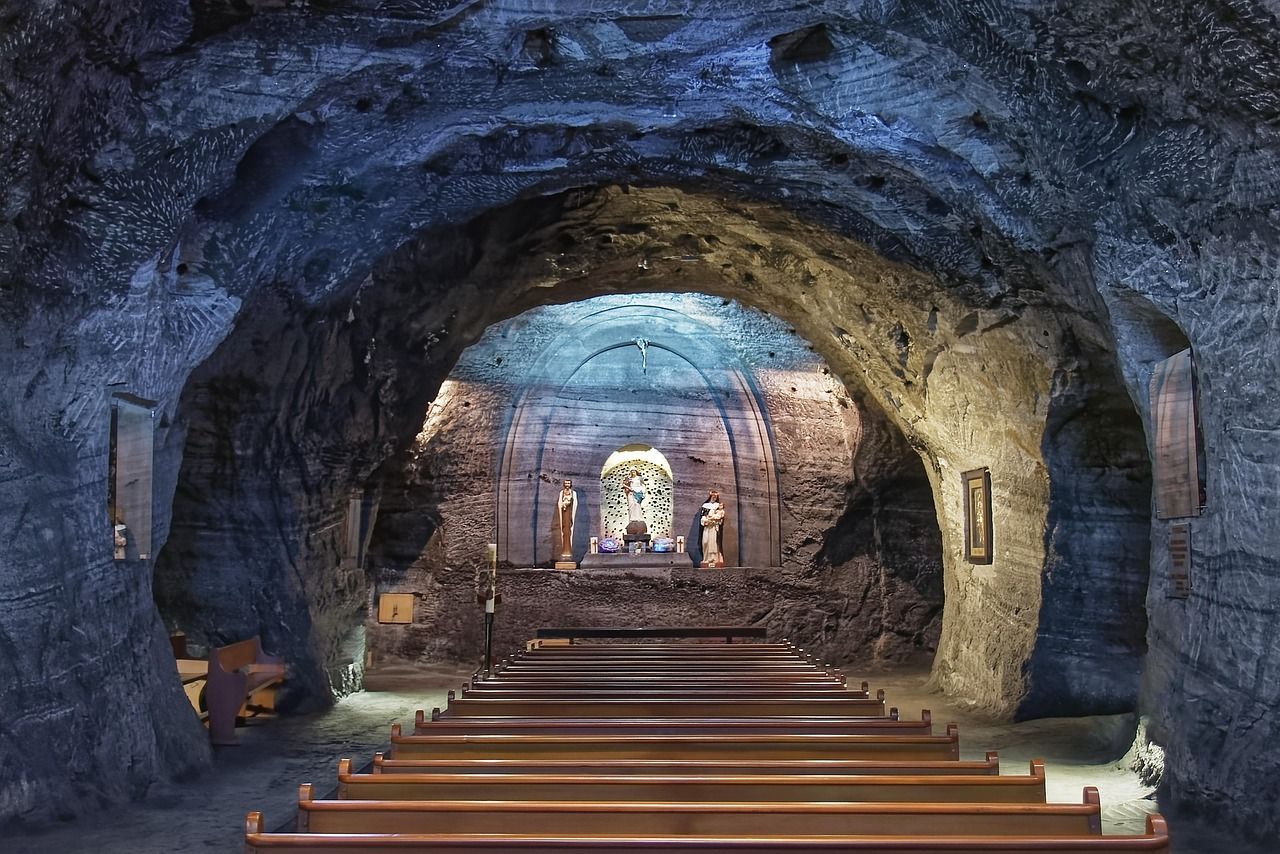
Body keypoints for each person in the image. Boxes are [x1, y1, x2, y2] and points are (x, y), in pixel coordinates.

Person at [700, 490, 725, 567]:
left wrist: (713, 520)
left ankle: (713, 559)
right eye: (713, 496)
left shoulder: (718, 506)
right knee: (705, 542)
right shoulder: (705, 505)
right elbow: (703, 516)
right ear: (710, 496)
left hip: (714, 527)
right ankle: (706, 558)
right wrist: (705, 521)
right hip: (707, 526)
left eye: (716, 497)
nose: (714, 498)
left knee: (713, 542)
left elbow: (720, 517)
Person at [555, 479, 578, 560]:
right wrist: (563, 505)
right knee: (564, 531)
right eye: (566, 483)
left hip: (569, 513)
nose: (567, 484)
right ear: (564, 484)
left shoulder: (573, 493)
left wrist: (569, 503)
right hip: (564, 513)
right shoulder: (562, 493)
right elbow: (559, 503)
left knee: (568, 531)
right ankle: (564, 551)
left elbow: (575, 503)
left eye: (569, 483)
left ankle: (568, 551)